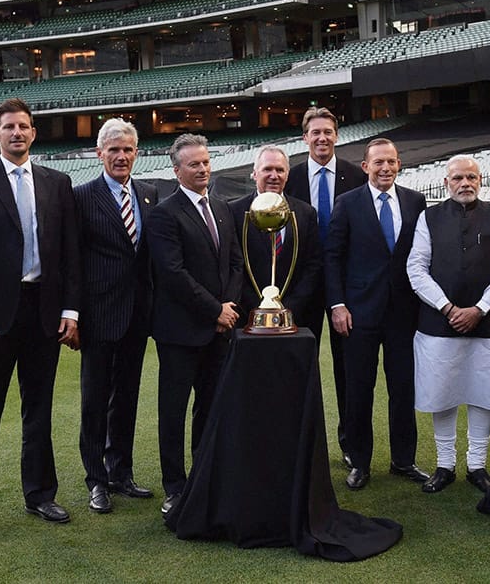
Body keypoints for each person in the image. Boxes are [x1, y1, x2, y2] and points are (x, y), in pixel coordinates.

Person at [0, 98, 81, 540]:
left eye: (24, 126)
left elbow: (68, 255)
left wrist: (69, 310)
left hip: (43, 312)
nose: (17, 133)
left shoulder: (56, 183)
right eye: (9, 127)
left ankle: (40, 493)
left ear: (34, 132)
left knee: (38, 411)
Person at [406, 155, 490, 495]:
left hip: (488, 324)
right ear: (446, 182)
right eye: (458, 178)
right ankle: (444, 465)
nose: (465, 183)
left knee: (482, 392)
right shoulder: (428, 218)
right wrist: (447, 307)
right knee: (443, 394)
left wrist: (479, 309)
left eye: (471, 177)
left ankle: (476, 465)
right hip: (438, 323)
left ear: (481, 180)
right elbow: (417, 268)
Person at [325, 137, 429, 490]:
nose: (385, 168)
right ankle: (360, 463)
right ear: (365, 166)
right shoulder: (347, 203)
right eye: (378, 162)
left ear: (400, 164)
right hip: (358, 315)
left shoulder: (416, 202)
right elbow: (333, 257)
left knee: (403, 389)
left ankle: (404, 460)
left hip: (404, 314)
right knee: (359, 390)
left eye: (391, 161)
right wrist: (337, 305)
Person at [149, 133, 242, 516]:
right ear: (177, 170)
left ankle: (205, 478)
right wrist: (213, 311)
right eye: (193, 164)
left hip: (220, 330)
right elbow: (173, 274)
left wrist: (228, 308)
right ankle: (175, 486)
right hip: (180, 332)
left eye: (205, 162)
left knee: (209, 408)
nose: (202, 169)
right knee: (173, 411)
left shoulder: (221, 207)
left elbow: (235, 263)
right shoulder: (164, 213)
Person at [74, 119, 158, 513]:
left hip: (137, 316)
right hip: (98, 314)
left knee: (126, 396)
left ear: (136, 152)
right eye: (114, 150)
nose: (121, 156)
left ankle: (120, 471)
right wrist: (73, 313)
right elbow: (72, 261)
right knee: (95, 401)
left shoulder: (148, 193)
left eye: (127, 150)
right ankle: (96, 479)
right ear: (99, 154)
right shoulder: (82, 197)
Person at [284, 107, 366, 468]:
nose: (322, 138)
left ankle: (349, 442)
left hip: (345, 290)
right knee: (299, 364)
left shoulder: (354, 175)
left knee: (347, 368)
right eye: (315, 132)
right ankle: (301, 442)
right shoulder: (291, 177)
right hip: (301, 287)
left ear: (337, 135)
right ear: (305, 137)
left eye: (328, 132)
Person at [229, 145, 321, 322]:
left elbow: (313, 264)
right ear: (255, 174)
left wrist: (290, 307)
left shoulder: (305, 212)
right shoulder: (234, 211)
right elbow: (234, 264)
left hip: (294, 315)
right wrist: (257, 308)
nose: (274, 175)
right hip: (249, 316)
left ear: (287, 175)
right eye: (267, 169)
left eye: (280, 170)